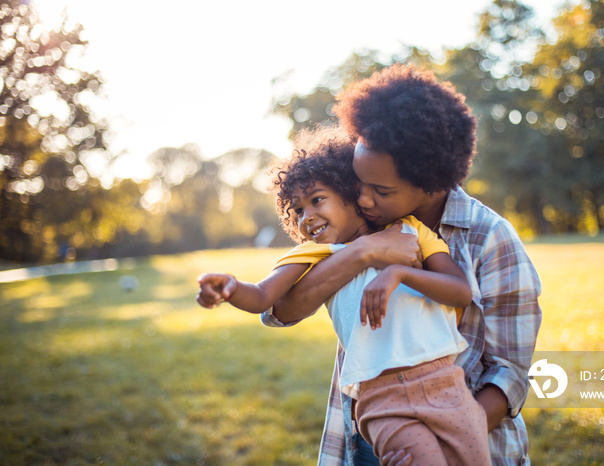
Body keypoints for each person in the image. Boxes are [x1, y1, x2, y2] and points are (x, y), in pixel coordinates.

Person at [263, 65, 543, 466]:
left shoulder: (490, 239)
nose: (363, 200)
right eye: (359, 183)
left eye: (381, 191)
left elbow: (511, 373)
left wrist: (440, 446)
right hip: (373, 432)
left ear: (431, 183)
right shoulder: (358, 228)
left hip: (464, 438)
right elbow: (282, 310)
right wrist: (365, 252)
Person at [198, 127, 490, 465]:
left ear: (351, 194)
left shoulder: (412, 231)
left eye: (316, 199)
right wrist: (231, 287)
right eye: (297, 211)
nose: (306, 217)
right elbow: (264, 297)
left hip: (446, 384)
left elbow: (460, 292)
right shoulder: (314, 254)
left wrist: (399, 273)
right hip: (383, 400)